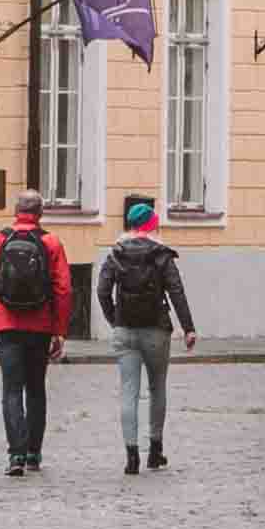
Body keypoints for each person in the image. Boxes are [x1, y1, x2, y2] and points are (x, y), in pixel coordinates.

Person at [0, 198, 72, 472]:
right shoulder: (51, 243)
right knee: (36, 389)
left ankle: (16, 455)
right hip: (40, 325)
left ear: (16, 212)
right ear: (40, 213)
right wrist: (60, 331)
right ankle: (34, 454)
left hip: (6, 325)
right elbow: (63, 290)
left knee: (12, 389)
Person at [96, 189, 196, 470]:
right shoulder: (161, 254)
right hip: (156, 330)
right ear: (152, 225)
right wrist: (188, 328)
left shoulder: (116, 254)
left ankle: (131, 456)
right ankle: (155, 449)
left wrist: (113, 318)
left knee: (128, 390)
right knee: (157, 388)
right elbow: (177, 291)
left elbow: (102, 290)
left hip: (125, 329)